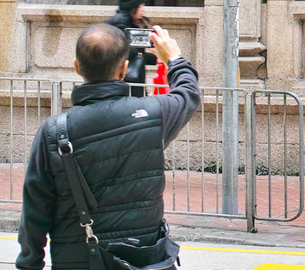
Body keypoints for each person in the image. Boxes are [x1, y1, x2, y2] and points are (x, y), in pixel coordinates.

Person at [17, 22, 200, 269]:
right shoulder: (153, 114)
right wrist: (174, 57)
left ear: (76, 66)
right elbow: (188, 92)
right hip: (144, 257)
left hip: (79, 258)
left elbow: (35, 209)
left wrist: (30, 263)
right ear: (124, 68)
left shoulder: (55, 131)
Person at [106, 0, 156, 95]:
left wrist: (152, 57)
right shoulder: (121, 23)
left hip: (133, 79)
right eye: (140, 6)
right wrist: (147, 54)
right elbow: (124, 52)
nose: (143, 9)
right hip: (125, 82)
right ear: (132, 7)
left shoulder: (133, 22)